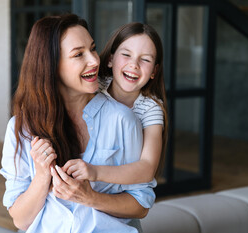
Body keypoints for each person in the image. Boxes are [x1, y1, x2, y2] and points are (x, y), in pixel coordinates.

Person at [0, 14, 155, 233]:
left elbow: (140, 205)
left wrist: (90, 197)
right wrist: (42, 176)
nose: (94, 60)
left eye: (92, 49)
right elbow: (21, 220)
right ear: (51, 65)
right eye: (78, 54)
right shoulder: (21, 129)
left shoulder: (122, 120)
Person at [61, 22, 168, 185]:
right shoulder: (93, 86)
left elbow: (147, 168)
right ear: (110, 59)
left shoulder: (150, 109)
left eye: (145, 59)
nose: (134, 64)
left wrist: (95, 172)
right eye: (126, 55)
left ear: (154, 71)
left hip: (119, 186)